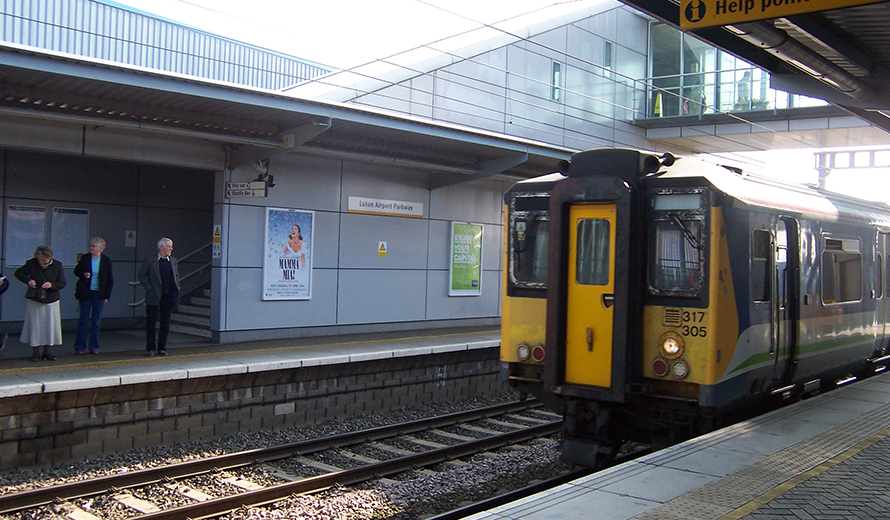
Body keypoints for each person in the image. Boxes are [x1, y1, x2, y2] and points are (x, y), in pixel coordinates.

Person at [15, 245, 66, 362]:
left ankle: (47, 351)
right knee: (35, 325)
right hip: (35, 298)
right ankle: (35, 352)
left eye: (45, 260)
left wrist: (52, 285)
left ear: (50, 258)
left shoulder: (57, 265)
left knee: (50, 325)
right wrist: (28, 280)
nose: (42, 262)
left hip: (51, 299)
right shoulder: (31, 263)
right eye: (41, 260)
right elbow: (18, 273)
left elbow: (62, 283)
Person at [138, 237, 180, 356]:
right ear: (161, 247)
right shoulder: (150, 260)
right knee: (151, 323)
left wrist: (176, 289)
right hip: (154, 295)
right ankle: (150, 348)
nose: (171, 248)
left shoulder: (173, 261)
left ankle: (162, 348)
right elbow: (141, 275)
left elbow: (176, 277)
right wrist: (149, 288)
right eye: (169, 246)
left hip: (168, 296)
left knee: (165, 323)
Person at [73, 237, 114, 354]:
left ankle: (94, 347)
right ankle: (80, 346)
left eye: (93, 246)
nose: (91, 248)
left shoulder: (106, 261)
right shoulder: (85, 258)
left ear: (100, 248)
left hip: (99, 294)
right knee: (83, 320)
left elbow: (109, 279)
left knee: (96, 321)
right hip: (86, 292)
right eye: (90, 245)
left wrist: (107, 295)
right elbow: (76, 271)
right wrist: (83, 274)